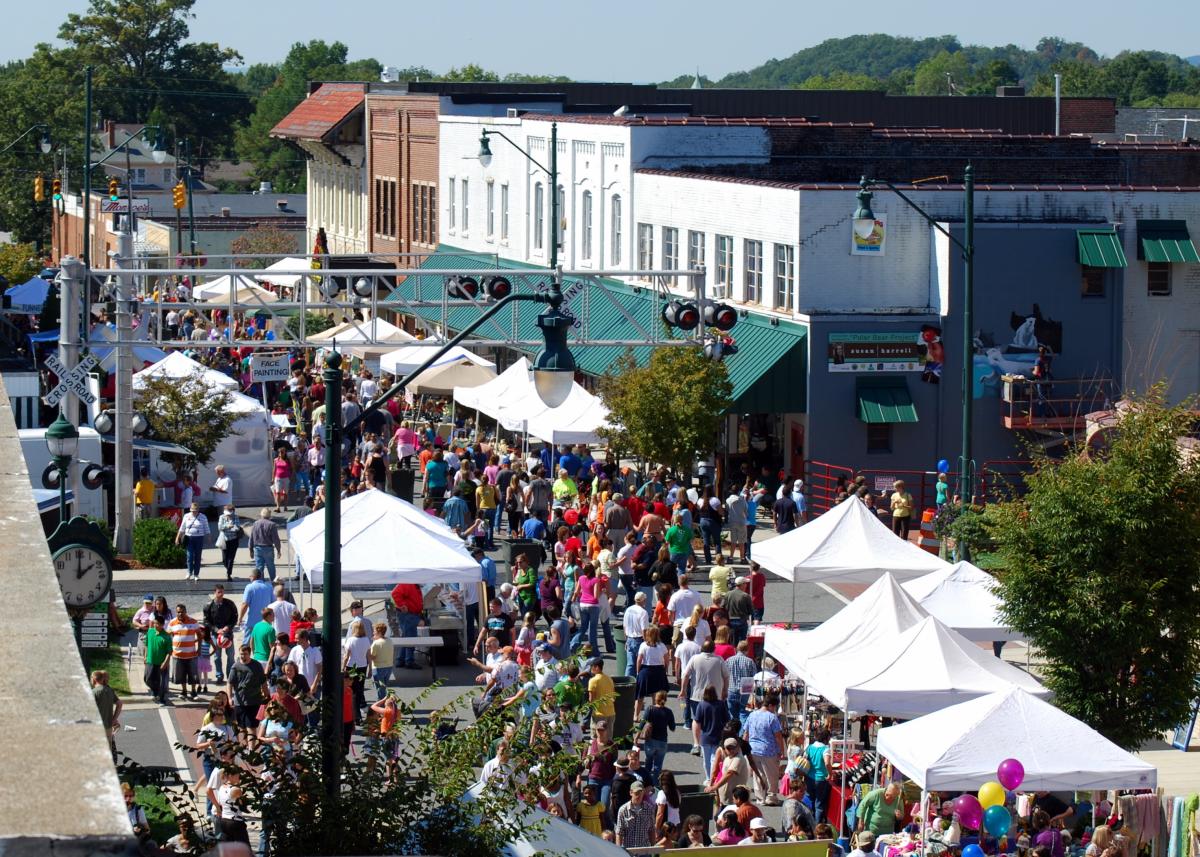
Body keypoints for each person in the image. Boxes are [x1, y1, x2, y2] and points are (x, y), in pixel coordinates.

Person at [743, 691, 786, 805]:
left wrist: (744, 747)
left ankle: (760, 797)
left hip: (753, 749)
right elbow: (778, 736)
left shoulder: (752, 715)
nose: (775, 709)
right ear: (771, 705)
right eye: (775, 707)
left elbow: (746, 733)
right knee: (771, 775)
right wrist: (781, 751)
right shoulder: (772, 717)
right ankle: (771, 797)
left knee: (758, 775)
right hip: (768, 750)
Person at [228, 645, 268, 733]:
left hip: (254, 701)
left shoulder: (257, 665)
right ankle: (246, 742)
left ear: (249, 654)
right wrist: (230, 698)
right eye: (241, 654)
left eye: (245, 654)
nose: (243, 656)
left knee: (251, 727)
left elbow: (263, 681)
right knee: (242, 728)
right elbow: (230, 683)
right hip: (240, 702)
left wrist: (266, 695)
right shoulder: (235, 666)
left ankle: (251, 743)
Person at [634, 625, 669, 719]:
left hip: (645, 671)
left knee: (640, 695)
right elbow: (666, 659)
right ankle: (654, 716)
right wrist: (665, 669)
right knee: (656, 695)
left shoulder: (643, 645)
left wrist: (638, 672)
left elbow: (639, 660)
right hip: (659, 671)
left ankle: (636, 715)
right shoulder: (662, 646)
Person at [168, 603, 202, 700]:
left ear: (186, 612)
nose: (180, 614)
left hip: (191, 654)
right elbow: (168, 636)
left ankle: (193, 692)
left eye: (182, 612)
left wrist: (199, 648)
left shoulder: (193, 622)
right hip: (177, 655)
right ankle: (184, 691)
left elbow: (199, 635)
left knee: (193, 674)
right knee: (181, 675)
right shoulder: (172, 623)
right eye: (178, 612)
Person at [390, 582, 424, 670]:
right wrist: (402, 605)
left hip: (409, 614)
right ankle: (409, 661)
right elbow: (395, 593)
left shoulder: (413, 585)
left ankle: (400, 660)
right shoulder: (408, 583)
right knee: (411, 637)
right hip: (407, 615)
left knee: (406, 636)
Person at [614, 781, 656, 848]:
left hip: (644, 849)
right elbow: (619, 832)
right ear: (631, 793)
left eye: (641, 793)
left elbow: (652, 830)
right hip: (628, 850)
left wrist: (654, 848)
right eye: (636, 793)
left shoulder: (649, 809)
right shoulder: (623, 810)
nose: (639, 795)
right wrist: (618, 850)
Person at [176, 501, 210, 581]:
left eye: (195, 511)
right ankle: (189, 572)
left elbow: (206, 528)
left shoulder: (203, 517)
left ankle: (196, 574)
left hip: (199, 538)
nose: (194, 512)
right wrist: (177, 538)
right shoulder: (186, 516)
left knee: (198, 556)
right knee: (190, 556)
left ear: (198, 510)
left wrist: (209, 538)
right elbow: (182, 528)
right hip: (189, 538)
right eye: (192, 510)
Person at [806, 727, 833, 826]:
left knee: (811, 800)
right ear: (826, 738)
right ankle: (817, 825)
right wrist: (830, 773)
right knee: (819, 803)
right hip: (821, 779)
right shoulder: (825, 749)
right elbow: (827, 763)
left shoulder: (810, 747)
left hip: (809, 777)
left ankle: (810, 821)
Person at [91, 670, 122, 753]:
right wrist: (114, 719)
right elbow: (119, 703)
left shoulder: (94, 692)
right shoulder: (109, 690)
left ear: (93, 679)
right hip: (108, 727)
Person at [623, 590, 651, 679]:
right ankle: (640, 681)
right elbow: (644, 630)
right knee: (641, 663)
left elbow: (624, 626)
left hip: (629, 638)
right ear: (643, 600)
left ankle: (627, 681)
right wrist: (646, 642)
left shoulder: (628, 610)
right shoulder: (643, 612)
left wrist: (626, 640)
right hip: (639, 640)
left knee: (630, 664)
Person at [144, 617, 172, 705]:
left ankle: (161, 699)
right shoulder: (150, 631)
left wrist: (165, 662)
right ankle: (155, 691)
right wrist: (145, 656)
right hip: (150, 660)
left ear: (162, 625)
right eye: (154, 623)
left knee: (161, 682)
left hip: (161, 663)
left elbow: (169, 652)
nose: (155, 625)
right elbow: (146, 645)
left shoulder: (166, 636)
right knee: (147, 679)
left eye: (158, 624)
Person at [248, 508, 281, 582]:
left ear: (261, 514)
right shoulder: (272, 524)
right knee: (271, 567)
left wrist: (250, 550)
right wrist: (278, 550)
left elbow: (251, 537)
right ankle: (273, 583)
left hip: (257, 548)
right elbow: (276, 539)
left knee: (259, 568)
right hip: (268, 548)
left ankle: (260, 583)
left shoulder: (255, 524)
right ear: (269, 515)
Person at [588, 657, 616, 735]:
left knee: (595, 738)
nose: (590, 668)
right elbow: (614, 696)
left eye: (591, 666)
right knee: (608, 738)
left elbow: (591, 700)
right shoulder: (609, 679)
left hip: (599, 714)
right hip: (611, 713)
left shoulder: (593, 681)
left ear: (596, 667)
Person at [216, 505, 242, 581]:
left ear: (233, 511)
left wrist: (232, 527)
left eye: (230, 513)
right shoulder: (222, 517)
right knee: (224, 559)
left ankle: (229, 574)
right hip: (224, 540)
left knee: (231, 558)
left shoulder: (235, 517)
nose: (228, 515)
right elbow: (220, 527)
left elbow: (237, 528)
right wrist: (228, 526)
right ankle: (228, 568)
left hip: (234, 540)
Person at [725, 576, 753, 645]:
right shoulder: (745, 596)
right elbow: (750, 610)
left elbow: (724, 606)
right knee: (742, 642)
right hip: (742, 621)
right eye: (745, 583)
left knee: (732, 641)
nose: (746, 585)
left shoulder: (728, 594)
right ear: (742, 584)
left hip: (730, 621)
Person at [271, 447, 292, 511]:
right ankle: (278, 507)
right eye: (279, 452)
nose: (280, 453)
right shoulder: (276, 460)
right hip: (278, 478)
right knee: (278, 492)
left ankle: (285, 506)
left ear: (285, 453)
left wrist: (290, 477)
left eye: (282, 452)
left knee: (285, 493)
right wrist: (272, 478)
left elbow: (291, 469)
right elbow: (274, 470)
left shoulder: (288, 460)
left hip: (286, 478)